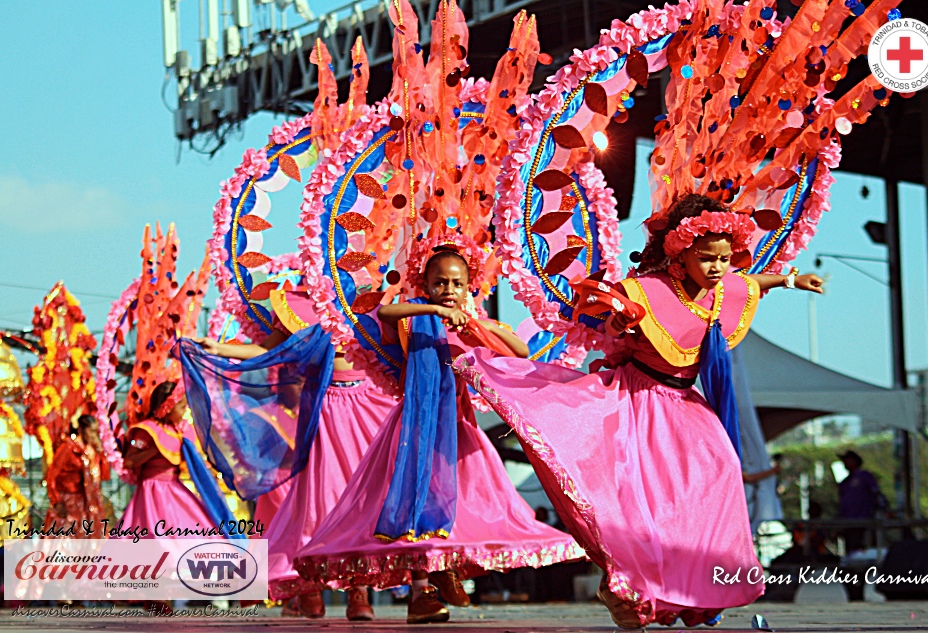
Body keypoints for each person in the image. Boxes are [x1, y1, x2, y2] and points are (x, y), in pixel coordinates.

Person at [457, 193, 824, 628]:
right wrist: (618, 321)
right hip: (637, 403)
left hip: (685, 403)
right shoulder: (646, 291)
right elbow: (608, 318)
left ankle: (691, 589)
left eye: (725, 259)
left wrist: (791, 281)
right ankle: (626, 585)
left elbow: (752, 283)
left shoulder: (724, 287)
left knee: (721, 469)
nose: (717, 268)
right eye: (707, 258)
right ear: (681, 253)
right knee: (643, 502)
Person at [294, 241, 585, 624]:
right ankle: (420, 591)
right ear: (426, 285)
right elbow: (384, 311)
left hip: (460, 430)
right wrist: (432, 310)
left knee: (467, 503)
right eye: (440, 283)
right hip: (418, 428)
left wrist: (477, 324)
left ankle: (446, 570)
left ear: (469, 287)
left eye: (456, 283)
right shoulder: (415, 320)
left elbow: (518, 351)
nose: (448, 290)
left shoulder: (472, 325)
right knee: (415, 503)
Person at [189, 287, 396, 620]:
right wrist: (219, 348)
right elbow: (265, 350)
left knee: (365, 501)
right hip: (324, 409)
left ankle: (358, 592)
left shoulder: (370, 301)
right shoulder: (295, 304)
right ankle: (309, 585)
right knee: (320, 500)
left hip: (369, 405)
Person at [120, 381, 224, 538]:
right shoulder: (146, 431)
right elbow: (129, 461)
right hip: (152, 492)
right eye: (181, 407)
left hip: (175, 488)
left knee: (198, 529)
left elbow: (194, 459)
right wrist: (154, 449)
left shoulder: (180, 430)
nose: (185, 411)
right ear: (166, 408)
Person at [43, 414, 108, 536]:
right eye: (91, 431)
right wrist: (56, 501)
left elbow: (104, 476)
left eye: (96, 431)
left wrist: (100, 453)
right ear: (81, 429)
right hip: (67, 501)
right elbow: (51, 475)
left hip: (86, 503)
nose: (94, 435)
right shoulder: (68, 447)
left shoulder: (91, 450)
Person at [837, 449, 884, 553]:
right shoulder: (845, 482)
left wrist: (880, 509)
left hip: (863, 520)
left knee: (862, 549)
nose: (845, 463)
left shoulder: (864, 476)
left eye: (847, 460)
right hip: (848, 522)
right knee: (851, 550)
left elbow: (876, 493)